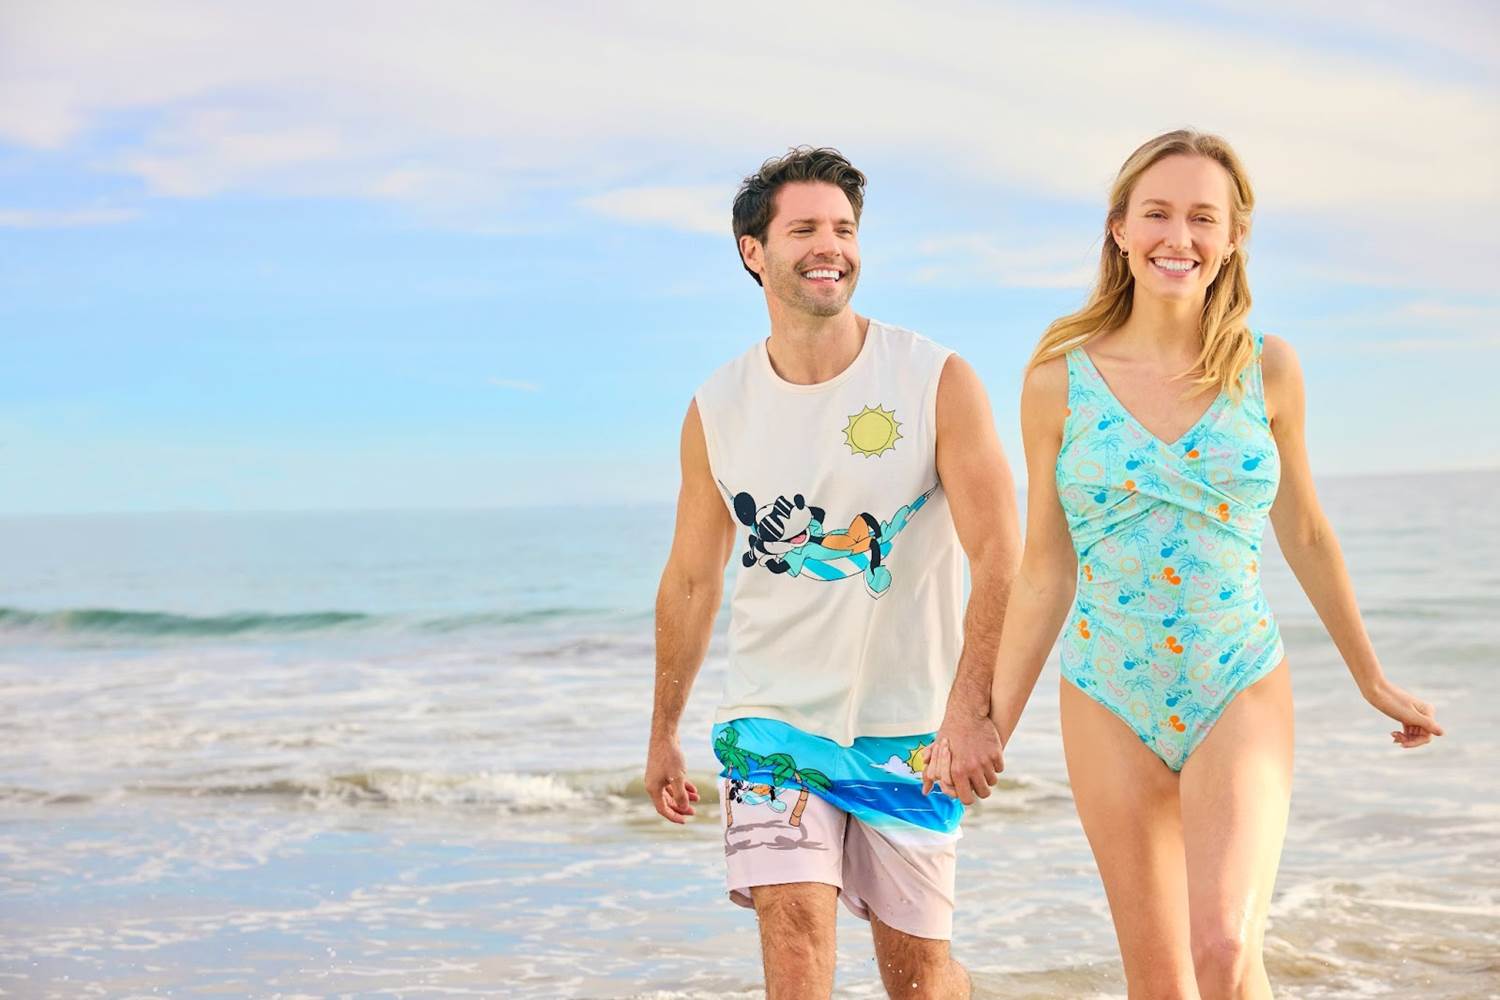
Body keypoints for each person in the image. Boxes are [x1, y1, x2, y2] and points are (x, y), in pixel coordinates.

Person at [938, 129, 1444, 999]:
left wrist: (1371, 678)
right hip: (1106, 688)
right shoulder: (1058, 378)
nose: (1180, 237)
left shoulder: (1268, 368)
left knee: (1224, 951)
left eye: (1203, 217)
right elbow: (1047, 568)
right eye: (1158, 214)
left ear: (1234, 236)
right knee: (1162, 983)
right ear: (1120, 229)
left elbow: (1305, 531)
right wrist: (989, 724)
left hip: (1236, 676)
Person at [644, 146, 1021, 1000]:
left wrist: (970, 707)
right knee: (796, 939)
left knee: (918, 977)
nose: (831, 247)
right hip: (770, 720)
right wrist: (664, 728)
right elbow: (692, 580)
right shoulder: (717, 408)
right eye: (805, 229)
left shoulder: (934, 379)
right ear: (754, 252)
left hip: (911, 729)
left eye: (845, 230)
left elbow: (1002, 554)